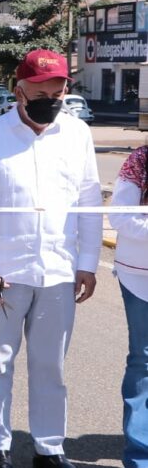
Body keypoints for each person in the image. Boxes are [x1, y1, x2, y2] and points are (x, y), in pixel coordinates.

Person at [0, 49, 102, 468]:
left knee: (50, 366)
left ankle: (50, 446)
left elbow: (89, 201)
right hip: (5, 271)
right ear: (19, 91)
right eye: (41, 92)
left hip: (59, 269)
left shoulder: (77, 135)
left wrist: (89, 262)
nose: (51, 100)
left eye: (58, 92)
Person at [107, 146, 148, 467]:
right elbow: (120, 216)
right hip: (141, 277)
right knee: (144, 361)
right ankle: (140, 455)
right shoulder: (141, 160)